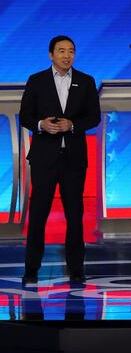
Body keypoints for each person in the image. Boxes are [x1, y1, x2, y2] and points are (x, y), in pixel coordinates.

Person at [19, 35, 101, 285]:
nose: (67, 56)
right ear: (51, 54)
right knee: (39, 215)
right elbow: (25, 116)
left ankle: (76, 268)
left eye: (71, 51)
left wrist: (73, 124)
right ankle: (32, 269)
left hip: (73, 159)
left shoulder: (85, 81)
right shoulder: (37, 80)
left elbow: (94, 117)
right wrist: (42, 124)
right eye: (62, 51)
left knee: (75, 215)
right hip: (44, 158)